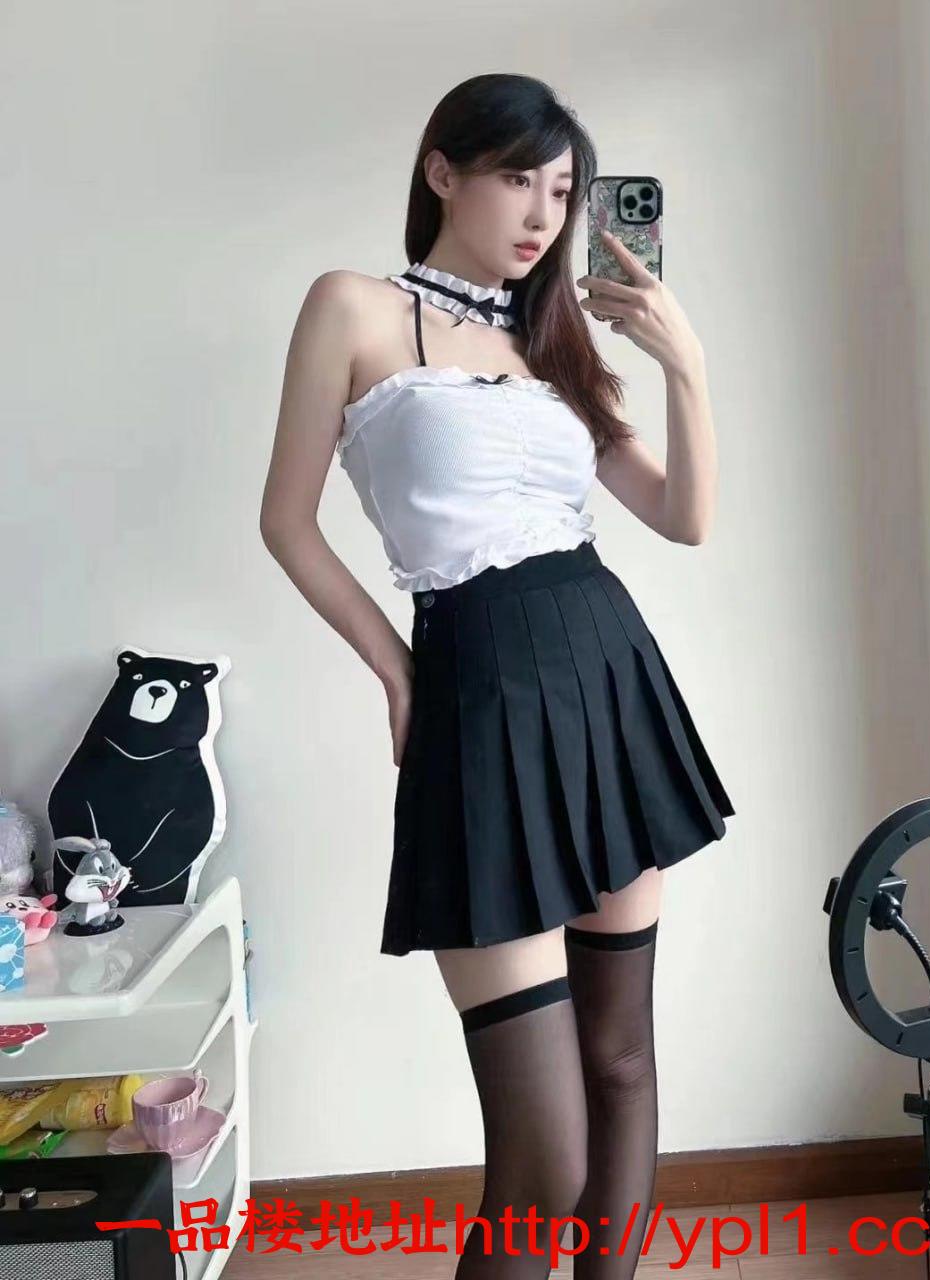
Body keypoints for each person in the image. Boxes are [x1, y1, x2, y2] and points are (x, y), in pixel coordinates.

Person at [260, 71, 734, 1280]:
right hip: (476, 689)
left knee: (620, 1060)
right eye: (518, 177)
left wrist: (682, 364)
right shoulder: (352, 307)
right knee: (540, 1152)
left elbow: (682, 517)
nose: (541, 213)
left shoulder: (551, 341)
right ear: (442, 171)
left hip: (604, 677)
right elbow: (285, 521)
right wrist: (393, 669)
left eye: (561, 190)